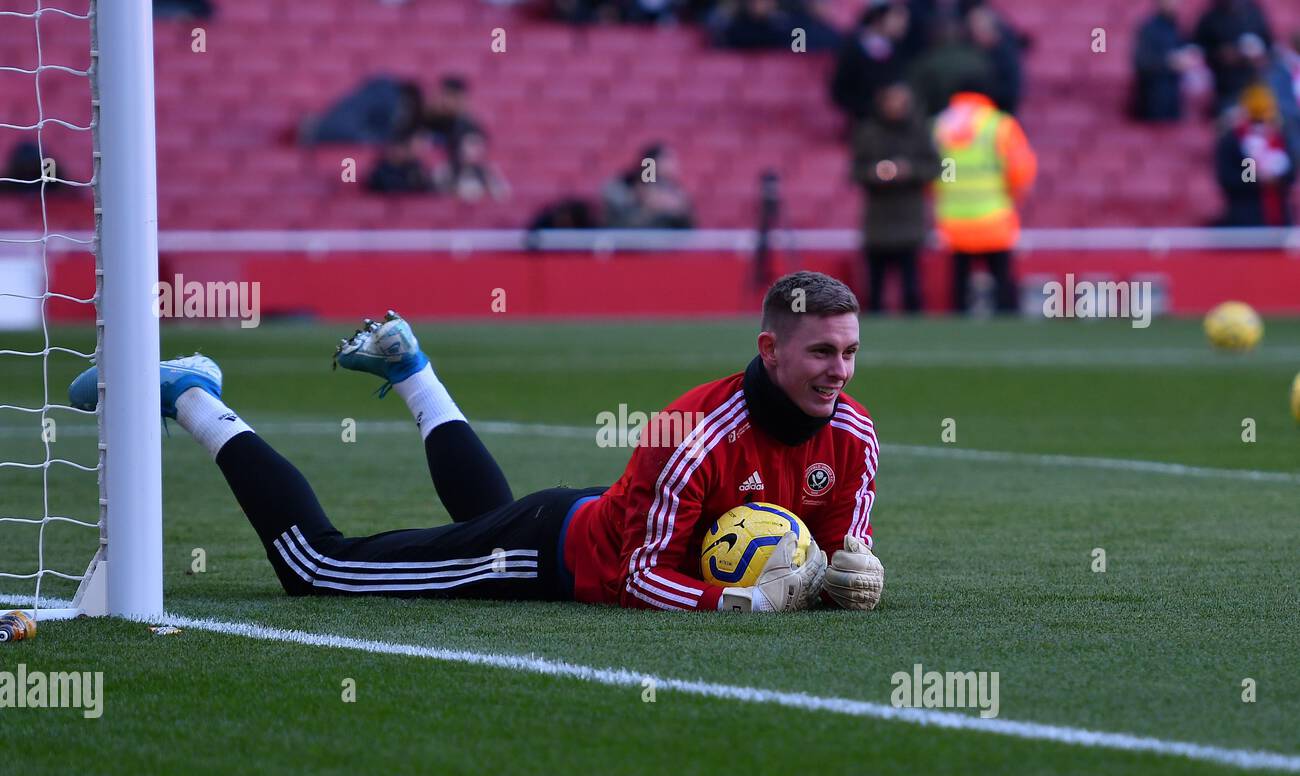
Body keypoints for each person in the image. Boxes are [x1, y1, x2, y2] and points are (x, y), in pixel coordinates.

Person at [67, 273, 884, 614]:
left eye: (848, 351)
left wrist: (848, 576)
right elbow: (640, 575)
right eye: (821, 352)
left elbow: (842, 549)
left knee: (484, 515)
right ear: (771, 350)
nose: (838, 370)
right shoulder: (695, 431)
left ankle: (410, 368)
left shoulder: (854, 437)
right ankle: (195, 394)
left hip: (567, 525)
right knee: (318, 568)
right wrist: (735, 601)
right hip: (546, 557)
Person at [933, 75, 1037, 314]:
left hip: (953, 216)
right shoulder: (999, 124)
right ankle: (1006, 320)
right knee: (1001, 278)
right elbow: (1020, 168)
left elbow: (931, 172)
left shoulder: (939, 124)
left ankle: (958, 327)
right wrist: (1014, 194)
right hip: (994, 213)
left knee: (959, 281)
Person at [852, 82, 941, 313]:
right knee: (875, 287)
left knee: (911, 285)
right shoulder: (868, 132)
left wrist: (909, 170)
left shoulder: (920, 131)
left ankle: (916, 327)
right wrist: (875, 173)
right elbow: (855, 171)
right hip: (878, 220)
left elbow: (935, 167)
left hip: (909, 220)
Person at [1214, 83, 1296, 226]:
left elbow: (1290, 174)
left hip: (1279, 216)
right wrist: (1257, 176)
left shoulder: (1279, 138)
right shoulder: (1233, 140)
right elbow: (1229, 179)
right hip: (1247, 218)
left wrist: (1275, 177)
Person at [1134, 0, 1197, 121]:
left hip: (1175, 95)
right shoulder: (1148, 28)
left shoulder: (1177, 27)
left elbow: (1186, 50)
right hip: (1153, 97)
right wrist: (1169, 62)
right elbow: (1141, 62)